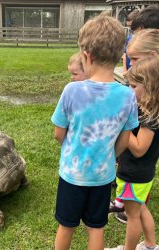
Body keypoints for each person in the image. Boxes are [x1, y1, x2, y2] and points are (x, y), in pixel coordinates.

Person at [51, 15, 138, 250]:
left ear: (87, 55)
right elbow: (125, 139)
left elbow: (59, 134)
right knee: (96, 227)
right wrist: (109, 154)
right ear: (120, 53)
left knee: (66, 226)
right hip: (103, 176)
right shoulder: (128, 95)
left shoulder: (71, 90)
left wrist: (72, 148)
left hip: (72, 174)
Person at [105, 56, 159, 250]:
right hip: (140, 174)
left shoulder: (150, 118)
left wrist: (122, 124)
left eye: (134, 87)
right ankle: (151, 245)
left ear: (151, 87)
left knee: (132, 216)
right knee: (140, 208)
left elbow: (138, 149)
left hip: (135, 174)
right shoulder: (146, 109)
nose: (129, 90)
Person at [122, 10, 139, 74]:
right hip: (128, 71)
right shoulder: (129, 37)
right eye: (128, 26)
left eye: (131, 25)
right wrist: (124, 70)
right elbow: (125, 54)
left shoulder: (143, 40)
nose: (130, 28)